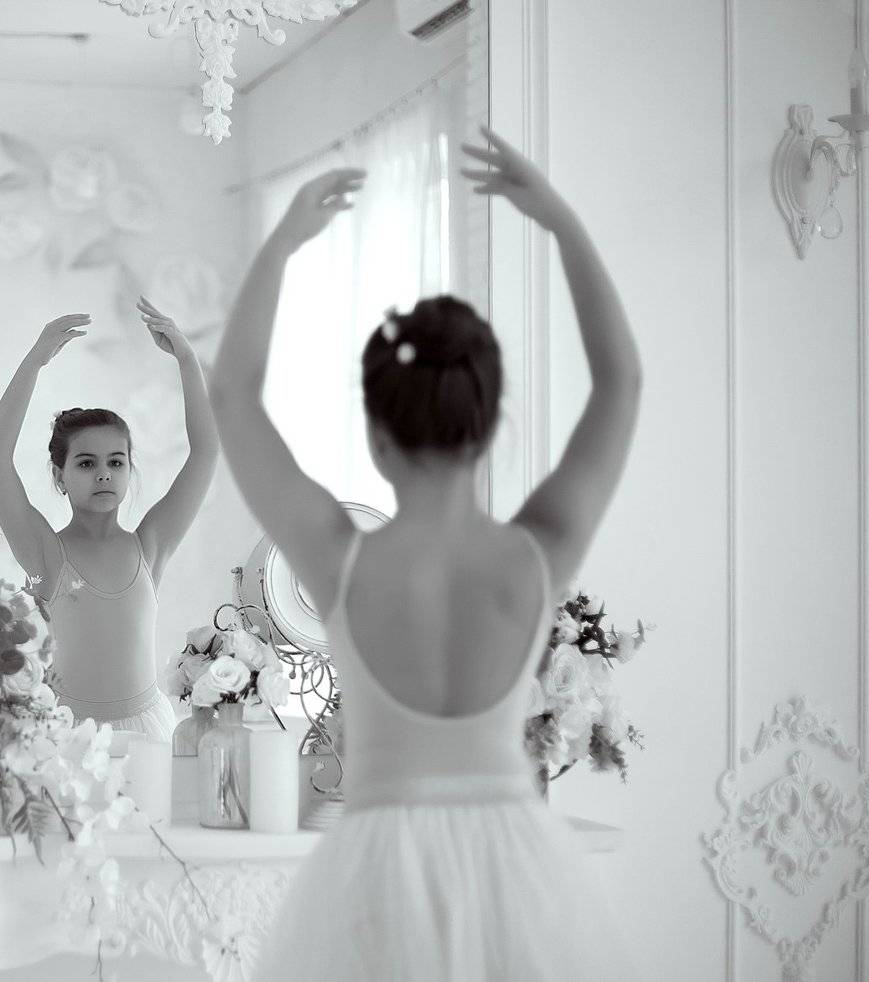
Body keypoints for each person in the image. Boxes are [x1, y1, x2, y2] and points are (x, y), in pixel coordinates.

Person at [211, 127, 641, 979]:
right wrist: (559, 221)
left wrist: (286, 241)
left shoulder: (339, 560)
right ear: (489, 428)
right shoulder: (539, 554)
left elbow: (232, 393)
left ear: (376, 436)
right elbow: (620, 383)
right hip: (519, 870)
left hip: (376, 873)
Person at [0, 298, 219, 740]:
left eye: (116, 461)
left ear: (129, 469)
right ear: (60, 476)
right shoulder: (45, 554)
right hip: (69, 735)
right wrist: (35, 362)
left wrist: (186, 359)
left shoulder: (151, 546)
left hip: (146, 731)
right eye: (86, 463)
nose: (104, 473)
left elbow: (206, 451)